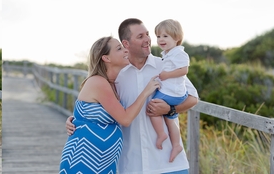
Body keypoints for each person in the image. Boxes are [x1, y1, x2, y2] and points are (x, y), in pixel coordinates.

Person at [65, 18, 200, 174]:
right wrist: (75, 121)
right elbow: (98, 104)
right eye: (140, 36)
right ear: (126, 44)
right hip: (131, 165)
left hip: (169, 161)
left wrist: (170, 109)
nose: (148, 40)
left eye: (148, 34)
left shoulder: (165, 65)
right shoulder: (116, 76)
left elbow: (193, 98)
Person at [59, 36, 161, 173]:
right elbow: (125, 119)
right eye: (119, 48)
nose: (126, 50)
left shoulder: (114, 83)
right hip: (84, 160)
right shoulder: (98, 82)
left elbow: (91, 114)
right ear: (106, 58)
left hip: (106, 163)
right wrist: (145, 92)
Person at [151, 19, 189, 162]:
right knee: (169, 118)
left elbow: (184, 70)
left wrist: (166, 75)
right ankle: (176, 145)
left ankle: (161, 134)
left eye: (165, 36)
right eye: (158, 36)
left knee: (152, 107)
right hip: (175, 92)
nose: (161, 39)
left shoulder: (178, 53)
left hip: (172, 93)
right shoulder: (168, 53)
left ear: (177, 38)